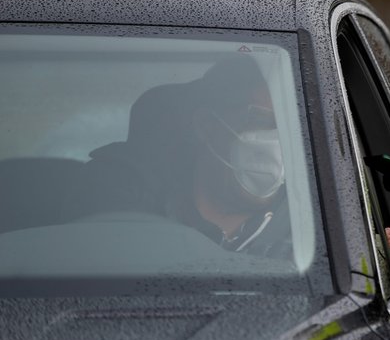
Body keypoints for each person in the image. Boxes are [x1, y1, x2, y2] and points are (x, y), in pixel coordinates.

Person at [62, 56, 294, 257]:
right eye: (261, 122)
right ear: (206, 126)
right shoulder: (119, 204)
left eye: (290, 128)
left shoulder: (310, 226)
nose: (279, 143)